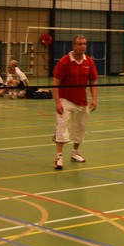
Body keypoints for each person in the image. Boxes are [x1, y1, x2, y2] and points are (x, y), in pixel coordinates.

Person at [52, 35, 98, 169]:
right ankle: (58, 157)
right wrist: (57, 102)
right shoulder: (64, 61)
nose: (82, 46)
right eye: (79, 44)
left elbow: (93, 81)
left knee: (80, 127)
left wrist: (94, 99)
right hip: (65, 99)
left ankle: (75, 152)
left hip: (81, 100)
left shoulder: (89, 61)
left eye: (84, 44)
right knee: (62, 125)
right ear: (73, 46)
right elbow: (55, 83)